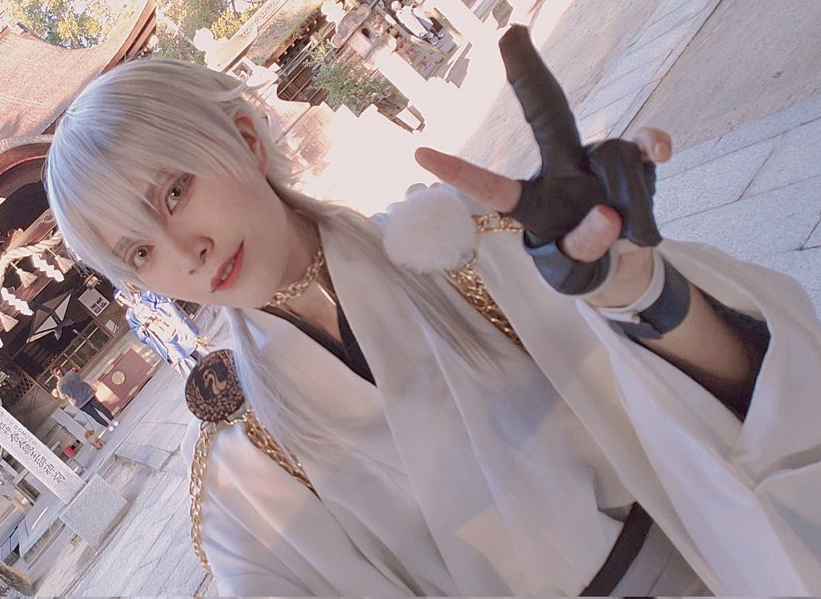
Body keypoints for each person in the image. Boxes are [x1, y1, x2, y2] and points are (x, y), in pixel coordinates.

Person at [42, 57, 821, 595]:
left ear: (245, 139)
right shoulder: (245, 467)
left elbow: (757, 405)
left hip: (716, 568)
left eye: (174, 192)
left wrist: (639, 289)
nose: (184, 252)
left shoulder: (468, 248)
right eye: (139, 252)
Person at [116, 286, 207, 374]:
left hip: (172, 326)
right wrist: (144, 329)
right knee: (181, 359)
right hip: (160, 337)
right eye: (121, 298)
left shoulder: (146, 294)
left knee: (193, 346)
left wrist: (157, 314)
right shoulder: (130, 315)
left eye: (124, 294)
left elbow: (167, 305)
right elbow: (140, 334)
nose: (125, 298)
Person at [51, 364, 116, 430]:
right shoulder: (71, 373)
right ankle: (113, 420)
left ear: (54, 375)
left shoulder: (59, 385)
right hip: (87, 393)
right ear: (61, 369)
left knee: (94, 415)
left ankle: (108, 426)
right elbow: (80, 379)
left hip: (79, 402)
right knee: (101, 407)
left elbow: (63, 397)